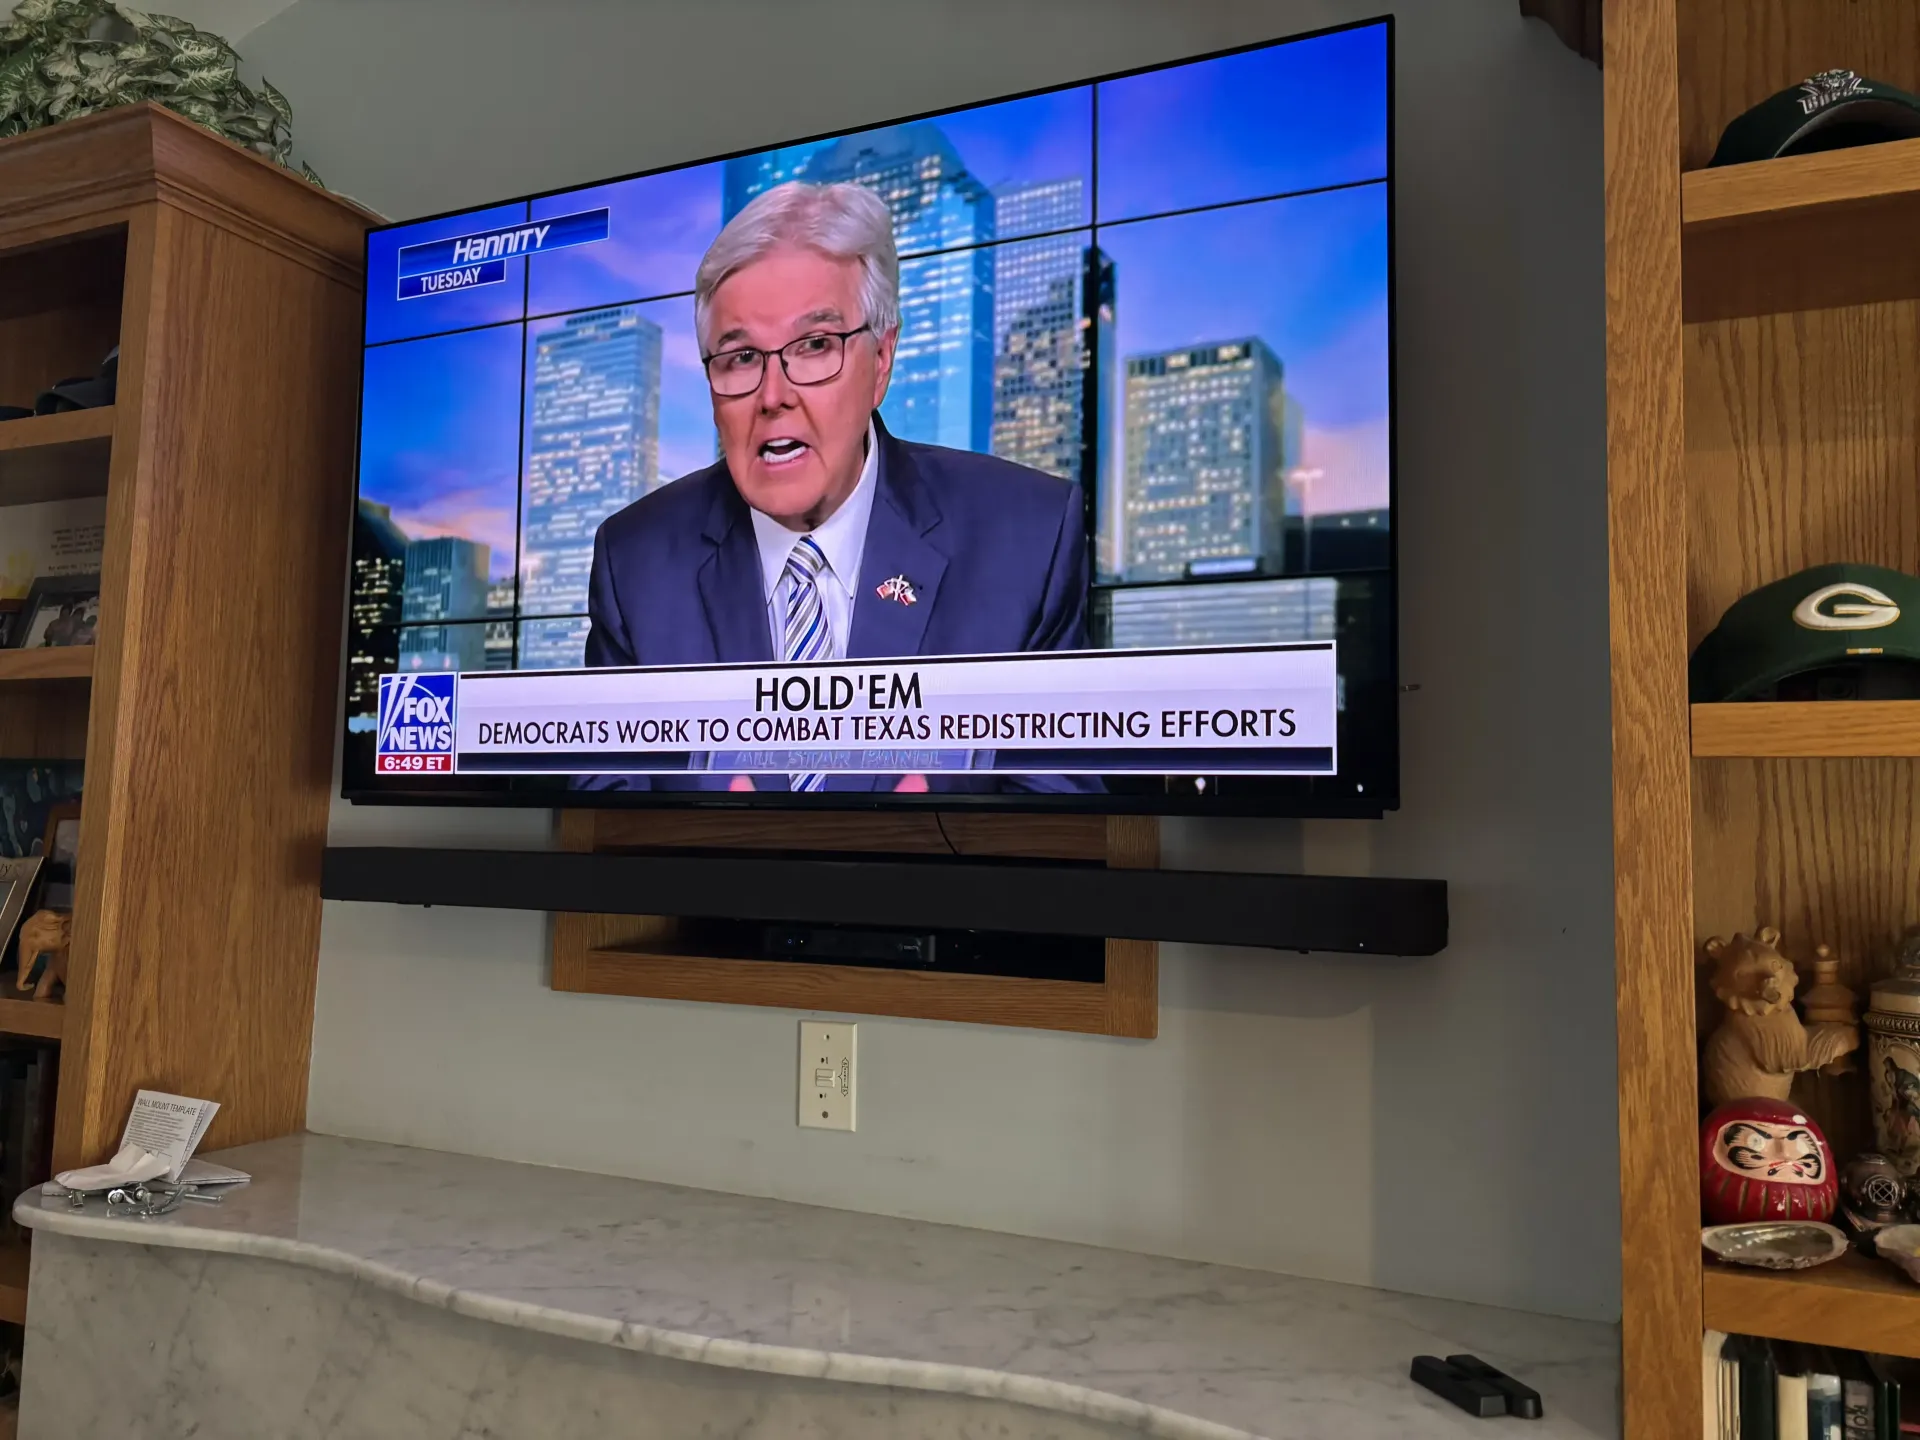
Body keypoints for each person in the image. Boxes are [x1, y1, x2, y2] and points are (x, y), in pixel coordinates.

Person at [584, 180, 1094, 794]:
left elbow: (1063, 838)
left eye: (815, 346)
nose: (774, 396)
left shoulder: (1028, 537)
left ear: (881, 361)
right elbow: (603, 836)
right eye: (741, 358)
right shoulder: (633, 562)